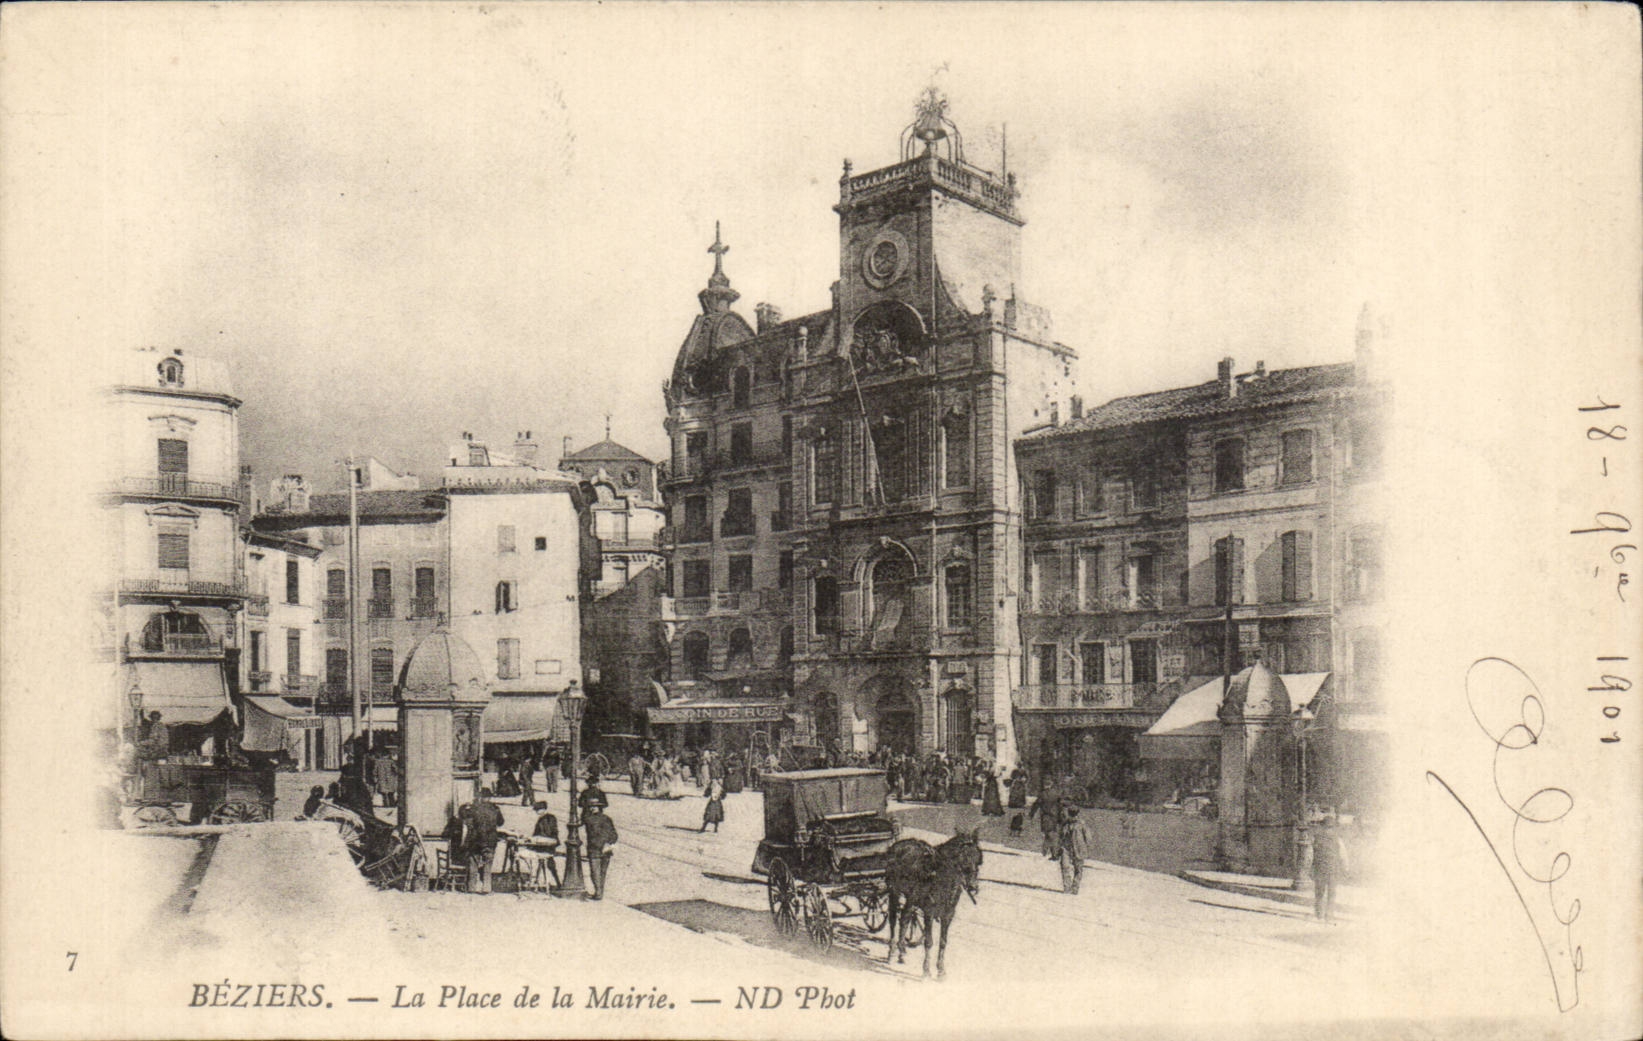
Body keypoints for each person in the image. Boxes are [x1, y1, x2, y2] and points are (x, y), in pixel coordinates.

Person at [463, 788, 504, 894]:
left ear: (480, 797)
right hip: (490, 841)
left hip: (476, 840)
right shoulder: (495, 808)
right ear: (489, 798)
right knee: (488, 864)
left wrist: (466, 806)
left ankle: (471, 887)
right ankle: (486, 888)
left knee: (474, 863)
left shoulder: (474, 808)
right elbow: (501, 822)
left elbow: (463, 816)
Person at [1311, 810, 1348, 923]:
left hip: (1320, 868)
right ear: (1332, 827)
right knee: (1331, 893)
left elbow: (1311, 854)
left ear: (1322, 826)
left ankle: (1319, 914)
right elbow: (1343, 855)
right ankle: (1329, 914)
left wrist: (1310, 869)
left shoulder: (1316, 838)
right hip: (1333, 868)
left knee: (1319, 893)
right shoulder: (1337, 839)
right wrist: (1346, 868)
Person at [582, 804, 619, 900]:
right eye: (591, 806)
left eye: (594, 806)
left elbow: (592, 833)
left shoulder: (588, 819)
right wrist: (608, 843)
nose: (592, 807)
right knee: (602, 873)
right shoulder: (607, 818)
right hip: (606, 849)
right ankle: (599, 893)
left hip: (595, 849)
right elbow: (614, 834)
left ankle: (598, 893)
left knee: (595, 872)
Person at [1058, 804, 1094, 895]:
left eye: (1074, 814)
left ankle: (1075, 887)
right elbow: (1060, 835)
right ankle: (1067, 887)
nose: (1072, 816)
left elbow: (1088, 837)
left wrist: (1087, 847)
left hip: (1078, 848)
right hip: (1066, 848)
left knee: (1078, 869)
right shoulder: (1065, 823)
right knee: (1065, 866)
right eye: (1071, 814)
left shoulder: (1082, 824)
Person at [529, 800, 562, 888]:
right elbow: (536, 832)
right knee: (541, 862)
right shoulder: (542, 818)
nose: (536, 812)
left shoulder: (550, 818)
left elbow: (550, 832)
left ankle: (558, 882)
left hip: (548, 845)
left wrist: (539, 838)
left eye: (537, 810)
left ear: (543, 809)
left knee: (550, 864)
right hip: (542, 844)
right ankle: (538, 881)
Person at [1028, 780, 1063, 859]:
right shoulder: (1056, 794)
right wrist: (1060, 817)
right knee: (1050, 833)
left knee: (1049, 834)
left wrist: (1031, 814)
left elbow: (1036, 804)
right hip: (1054, 817)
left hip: (1046, 817)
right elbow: (1060, 806)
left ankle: (1053, 853)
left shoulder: (1043, 794)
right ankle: (1046, 851)